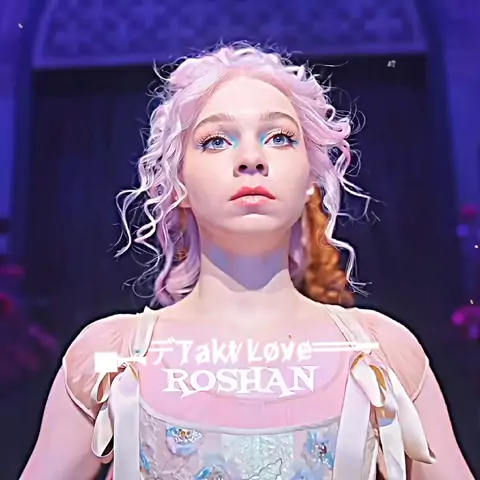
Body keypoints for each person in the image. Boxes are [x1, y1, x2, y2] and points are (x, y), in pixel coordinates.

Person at [21, 44, 473, 480]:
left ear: (312, 176)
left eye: (279, 138)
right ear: (178, 181)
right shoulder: (112, 359)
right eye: (216, 141)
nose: (251, 159)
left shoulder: (379, 354)